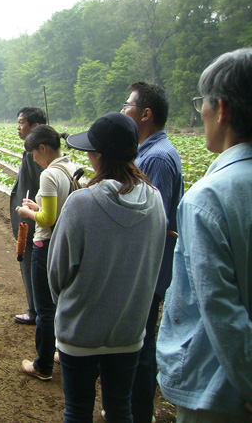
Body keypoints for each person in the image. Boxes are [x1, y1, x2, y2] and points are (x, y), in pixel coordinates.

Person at [48, 112, 166, 423]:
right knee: (119, 410)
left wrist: (65, 306)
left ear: (98, 156)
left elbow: (57, 272)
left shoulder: (82, 203)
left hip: (80, 330)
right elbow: (154, 261)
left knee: (77, 411)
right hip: (129, 330)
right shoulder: (155, 201)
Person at [156, 48, 252, 422]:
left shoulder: (208, 198)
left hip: (221, 392)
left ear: (222, 109)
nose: (203, 113)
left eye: (203, 103)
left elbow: (221, 309)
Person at [121, 82, 184, 423]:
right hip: (144, 268)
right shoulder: (147, 153)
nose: (123, 109)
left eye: (128, 104)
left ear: (145, 114)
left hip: (148, 270)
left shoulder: (156, 158)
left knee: (141, 348)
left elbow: (150, 221)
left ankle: (137, 415)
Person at [16, 125, 77, 381]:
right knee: (63, 303)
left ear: (43, 148)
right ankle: (60, 352)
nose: (33, 158)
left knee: (44, 308)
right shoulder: (71, 167)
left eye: (33, 153)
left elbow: (47, 217)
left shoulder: (49, 174)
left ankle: (42, 364)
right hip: (66, 244)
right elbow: (58, 207)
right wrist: (38, 205)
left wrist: (28, 212)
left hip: (46, 245)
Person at [10, 107, 46, 325]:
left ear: (35, 126)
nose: (18, 127)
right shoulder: (32, 151)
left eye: (22, 122)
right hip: (30, 222)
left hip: (31, 224)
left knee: (32, 266)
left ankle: (36, 311)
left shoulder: (36, 156)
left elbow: (43, 189)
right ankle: (37, 309)